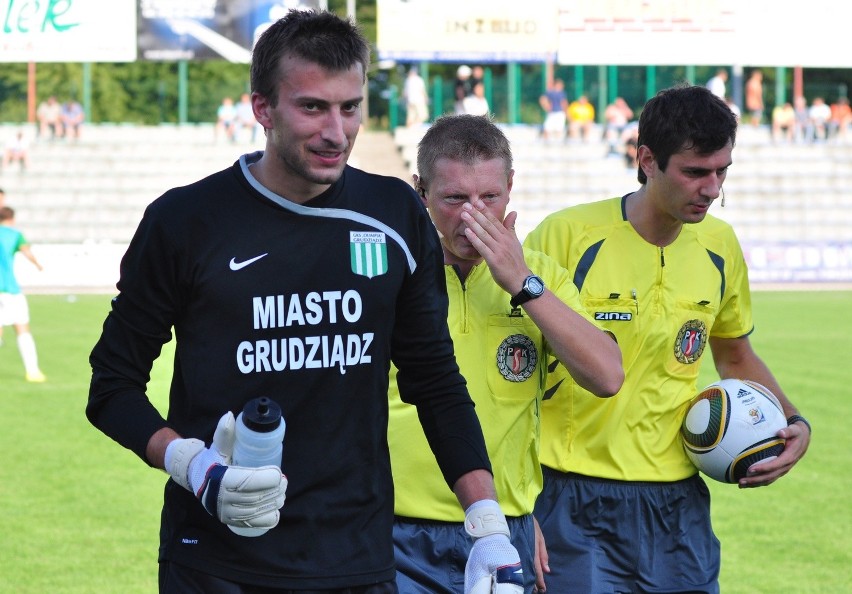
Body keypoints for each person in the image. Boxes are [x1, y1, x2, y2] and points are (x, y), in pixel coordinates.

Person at [86, 10, 521, 593]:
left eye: (351, 107)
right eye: (312, 107)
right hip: (215, 559)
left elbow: (435, 382)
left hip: (355, 557)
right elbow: (111, 387)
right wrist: (195, 467)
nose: (336, 132)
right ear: (262, 109)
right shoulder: (184, 220)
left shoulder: (393, 214)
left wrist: (487, 523)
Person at [525, 84, 812, 594]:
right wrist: (513, 506)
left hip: (678, 500)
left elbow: (734, 353)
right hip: (570, 497)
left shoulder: (720, 244)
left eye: (722, 171)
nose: (712, 188)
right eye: (696, 172)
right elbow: (511, 371)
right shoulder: (566, 237)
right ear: (646, 160)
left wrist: (792, 421)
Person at [388, 114, 624, 594]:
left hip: (504, 529)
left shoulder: (542, 277)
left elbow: (607, 376)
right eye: (455, 198)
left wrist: (521, 284)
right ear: (421, 190)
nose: (473, 214)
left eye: (489, 197)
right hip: (397, 533)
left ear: (510, 188)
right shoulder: (390, 271)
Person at [0, 206, 46, 382]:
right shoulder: (15, 235)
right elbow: (27, 252)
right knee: (22, 328)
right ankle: (32, 371)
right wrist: (38, 265)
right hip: (10, 290)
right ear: (12, 219)